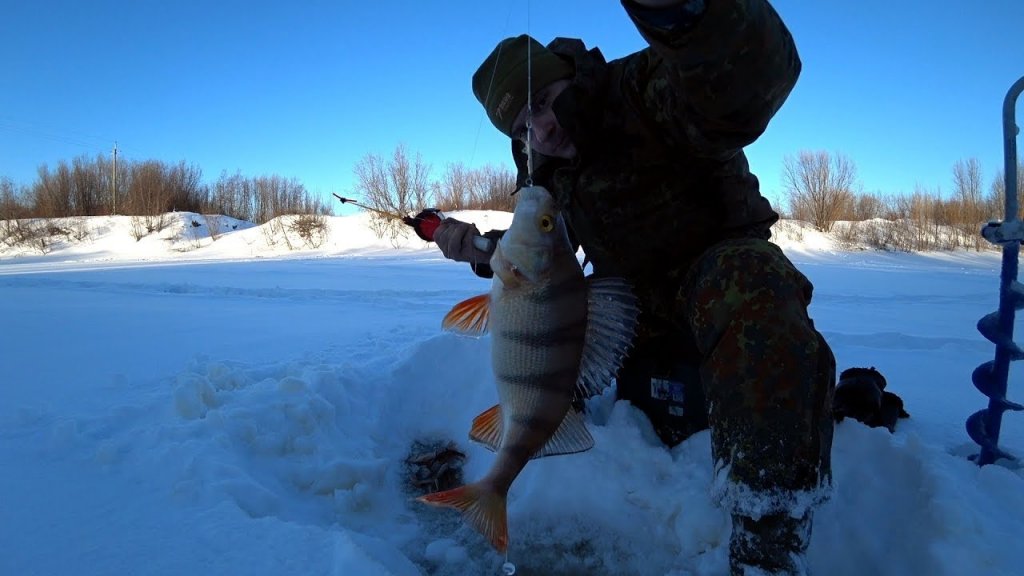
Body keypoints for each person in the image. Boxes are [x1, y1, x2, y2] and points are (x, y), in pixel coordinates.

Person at [411, 1, 835, 573]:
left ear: (566, 75)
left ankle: (768, 536)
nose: (541, 129)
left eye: (542, 103)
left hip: (716, 277)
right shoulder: (549, 171)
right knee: (578, 363)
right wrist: (471, 245)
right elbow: (537, 263)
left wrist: (688, 15)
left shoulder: (639, 92)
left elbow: (742, 85)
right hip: (635, 308)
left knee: (751, 282)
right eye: (522, 127)